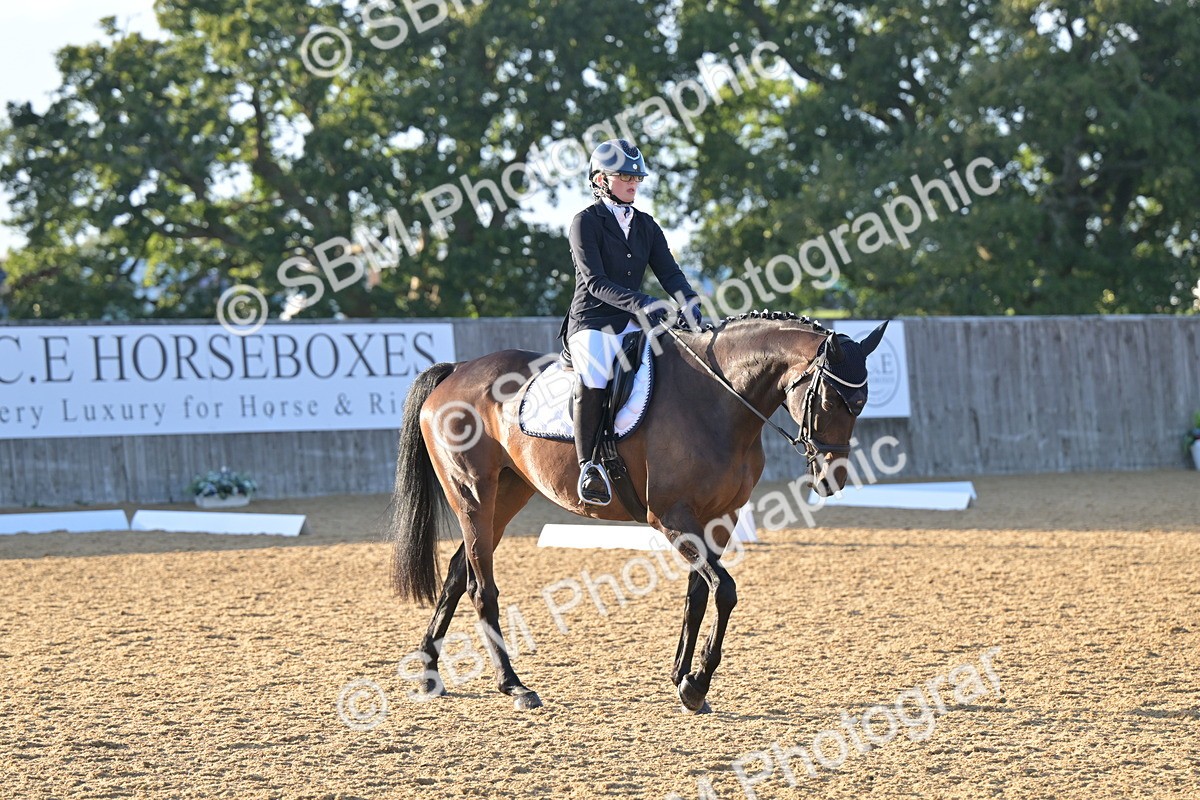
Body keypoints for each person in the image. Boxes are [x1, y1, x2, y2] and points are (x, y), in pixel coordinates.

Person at [563, 138, 703, 506]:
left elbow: (670, 273)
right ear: (600, 180)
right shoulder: (585, 223)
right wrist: (642, 302)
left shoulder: (645, 225)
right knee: (594, 376)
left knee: (673, 365)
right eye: (624, 176)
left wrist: (689, 303)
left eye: (636, 177)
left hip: (633, 322)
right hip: (592, 321)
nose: (633, 183)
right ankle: (588, 465)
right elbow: (594, 282)